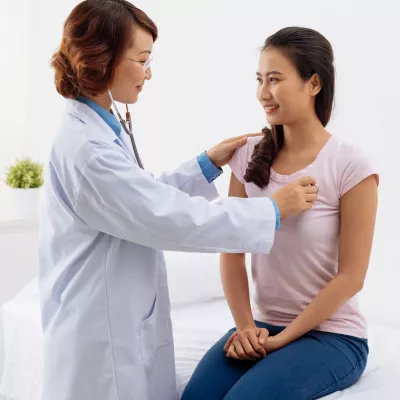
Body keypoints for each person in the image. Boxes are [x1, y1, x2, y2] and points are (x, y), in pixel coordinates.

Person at [37, 3, 318, 400]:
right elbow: (167, 218)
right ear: (104, 59)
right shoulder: (86, 149)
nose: (148, 72)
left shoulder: (99, 127)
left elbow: (140, 196)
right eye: (142, 59)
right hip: (99, 338)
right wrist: (271, 210)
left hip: (119, 318)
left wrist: (206, 165)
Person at [182, 27, 379, 400]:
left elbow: (352, 276)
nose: (263, 93)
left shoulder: (350, 165)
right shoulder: (247, 154)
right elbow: (232, 251)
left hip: (333, 336)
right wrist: (244, 328)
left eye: (275, 80)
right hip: (258, 326)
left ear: (314, 84)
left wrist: (282, 339)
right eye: (259, 80)